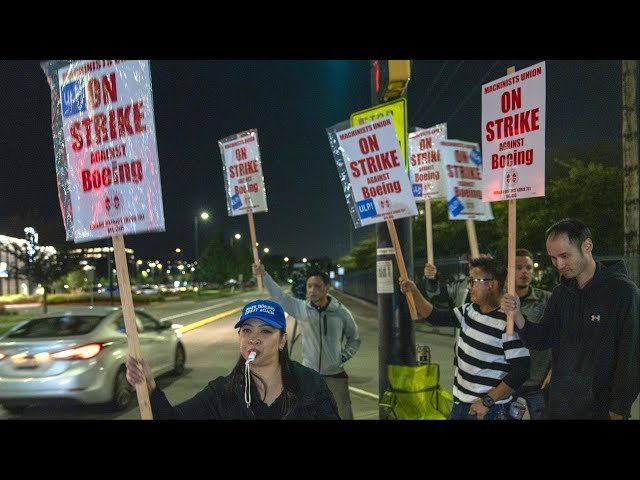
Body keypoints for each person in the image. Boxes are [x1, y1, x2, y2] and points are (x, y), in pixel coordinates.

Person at [501, 218, 640, 419]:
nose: (559, 264)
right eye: (553, 258)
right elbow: (542, 339)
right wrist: (518, 317)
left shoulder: (623, 293)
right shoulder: (561, 294)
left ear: (587, 245)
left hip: (600, 410)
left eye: (565, 255)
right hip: (557, 406)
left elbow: (631, 357)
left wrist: (620, 408)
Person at [125, 299, 340, 419]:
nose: (253, 339)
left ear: (282, 340)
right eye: (247, 331)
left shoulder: (311, 384)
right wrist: (149, 386)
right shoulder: (222, 392)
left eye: (265, 332)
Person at [400, 256, 531, 420]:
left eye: (473, 281)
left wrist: (487, 401)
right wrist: (413, 291)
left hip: (488, 411)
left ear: (492, 284)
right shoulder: (469, 310)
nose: (469, 287)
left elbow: (522, 370)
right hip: (460, 405)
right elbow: (436, 317)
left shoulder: (508, 321)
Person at [253, 263, 361, 420]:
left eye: (317, 286)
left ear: (327, 288)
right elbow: (280, 297)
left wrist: (342, 357)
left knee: (342, 413)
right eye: (309, 286)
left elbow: (354, 338)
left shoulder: (340, 312)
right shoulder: (301, 308)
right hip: (309, 375)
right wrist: (264, 275)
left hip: (335, 375)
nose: (312, 290)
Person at [510, 248, 552, 419]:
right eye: (518, 267)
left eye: (528, 267)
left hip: (538, 383)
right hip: (507, 384)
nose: (524, 272)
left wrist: (553, 371)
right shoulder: (499, 300)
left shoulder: (546, 300)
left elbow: (559, 337)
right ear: (508, 270)